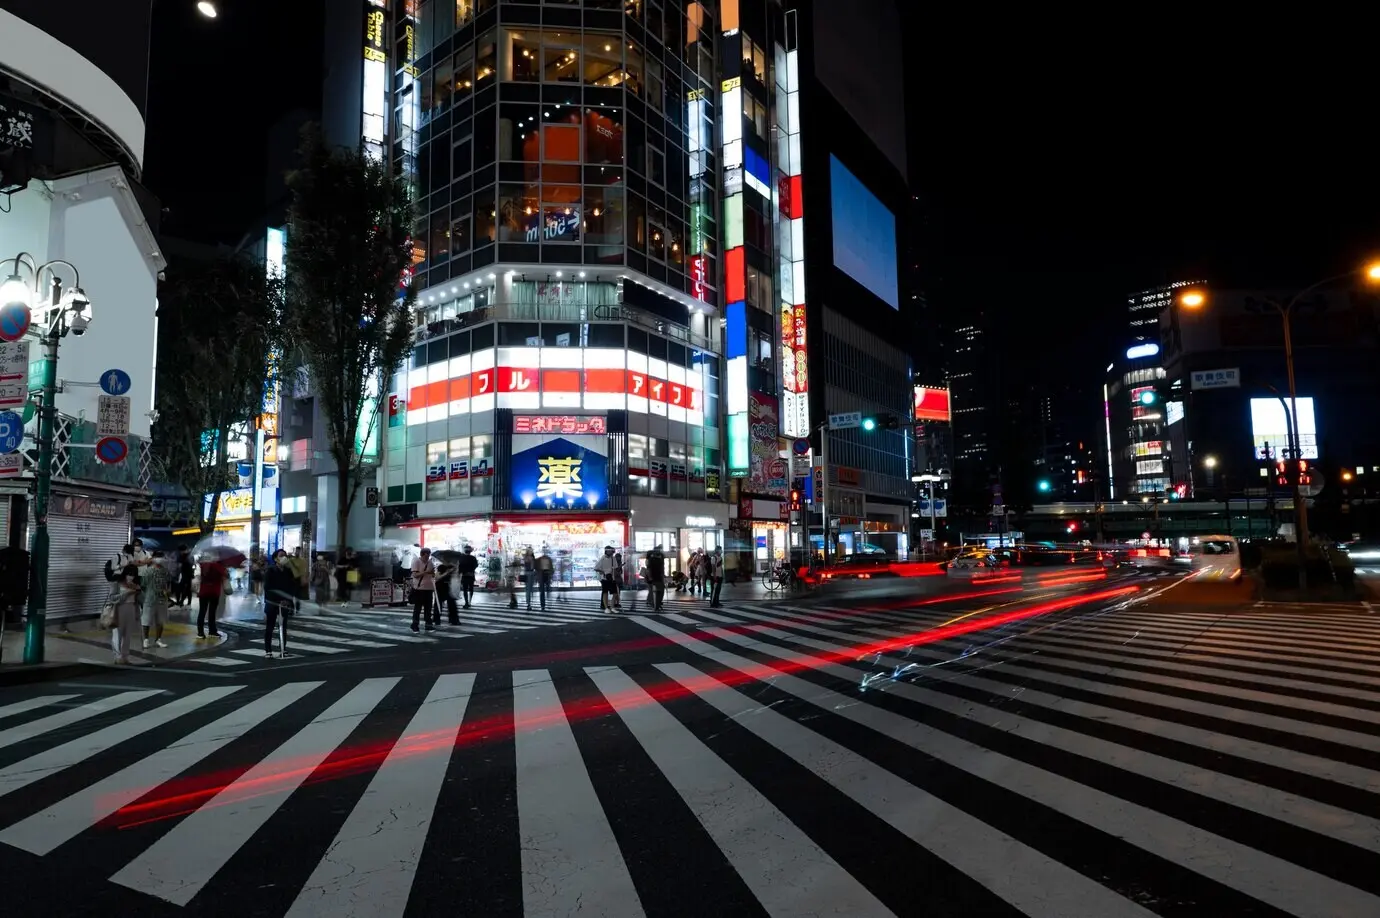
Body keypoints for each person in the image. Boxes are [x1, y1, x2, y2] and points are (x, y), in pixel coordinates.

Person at [264, 549, 297, 658]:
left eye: (285, 555)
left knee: (283, 626)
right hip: (272, 602)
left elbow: (291, 587)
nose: (284, 557)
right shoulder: (270, 570)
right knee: (270, 625)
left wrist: (289, 600)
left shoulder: (288, 571)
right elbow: (268, 587)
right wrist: (278, 599)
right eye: (281, 555)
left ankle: (283, 648)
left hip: (285, 602)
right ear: (275, 558)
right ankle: (268, 650)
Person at [109, 563, 141, 664]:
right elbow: (113, 598)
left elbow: (140, 600)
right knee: (117, 634)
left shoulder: (135, 585)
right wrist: (126, 593)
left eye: (133, 574)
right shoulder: (117, 584)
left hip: (131, 608)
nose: (131, 576)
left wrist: (138, 590)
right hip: (119, 609)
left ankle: (125, 656)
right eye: (129, 573)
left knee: (127, 635)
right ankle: (117, 656)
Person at [139, 549, 171, 649]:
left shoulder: (165, 571)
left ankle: (158, 639)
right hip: (149, 599)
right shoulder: (147, 571)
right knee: (146, 620)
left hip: (162, 600)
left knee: (160, 621)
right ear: (153, 558)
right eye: (157, 557)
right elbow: (142, 585)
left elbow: (168, 584)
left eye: (161, 557)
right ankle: (146, 640)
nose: (159, 559)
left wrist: (167, 591)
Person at [196, 554, 228, 639]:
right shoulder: (219, 566)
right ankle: (212, 631)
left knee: (202, 612)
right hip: (214, 592)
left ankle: (200, 633)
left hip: (203, 592)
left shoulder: (203, 565)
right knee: (212, 612)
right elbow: (226, 575)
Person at [410, 547, 438, 632]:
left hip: (429, 588)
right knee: (418, 608)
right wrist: (426, 572)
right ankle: (415, 625)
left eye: (428, 555)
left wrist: (433, 573)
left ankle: (428, 624)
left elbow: (433, 574)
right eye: (426, 556)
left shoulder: (430, 562)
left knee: (428, 608)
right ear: (422, 555)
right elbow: (415, 575)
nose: (427, 557)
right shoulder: (416, 561)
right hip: (419, 588)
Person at [435, 554, 460, 625]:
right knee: (438, 604)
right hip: (440, 587)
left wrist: (455, 570)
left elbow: (456, 577)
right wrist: (447, 572)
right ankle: (437, 619)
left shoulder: (453, 567)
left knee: (452, 604)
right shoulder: (441, 567)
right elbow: (437, 577)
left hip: (449, 587)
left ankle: (453, 619)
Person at [594, 545, 621, 612]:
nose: (611, 552)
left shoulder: (613, 558)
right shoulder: (602, 558)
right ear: (606, 551)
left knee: (615, 593)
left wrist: (615, 577)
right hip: (605, 578)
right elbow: (596, 568)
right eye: (609, 551)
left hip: (612, 578)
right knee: (605, 593)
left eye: (611, 551)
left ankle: (612, 607)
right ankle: (606, 608)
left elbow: (615, 568)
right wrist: (603, 572)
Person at [644, 543, 666, 612]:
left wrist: (650, 577)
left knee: (655, 591)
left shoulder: (651, 559)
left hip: (654, 577)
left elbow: (649, 569)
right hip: (656, 577)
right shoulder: (657, 559)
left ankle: (654, 603)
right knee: (659, 591)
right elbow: (650, 569)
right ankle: (656, 604)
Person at [456, 545, 479, 609]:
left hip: (464, 576)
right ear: (470, 551)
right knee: (471, 589)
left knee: (465, 590)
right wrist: (471, 570)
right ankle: (469, 602)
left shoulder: (461, 558)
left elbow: (459, 567)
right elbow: (476, 565)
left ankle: (466, 602)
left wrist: (460, 572)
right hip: (471, 575)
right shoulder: (473, 558)